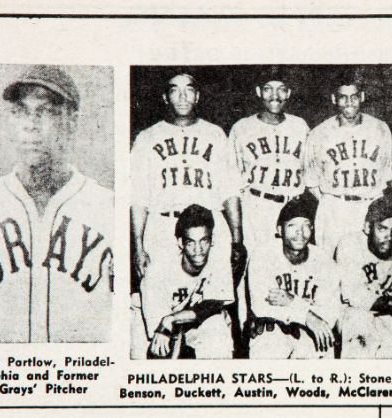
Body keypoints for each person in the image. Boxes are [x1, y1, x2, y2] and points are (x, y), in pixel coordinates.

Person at [0, 65, 114, 343]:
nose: (30, 124)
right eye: (20, 111)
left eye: (45, 112)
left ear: (71, 121)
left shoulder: (107, 207)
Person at [129, 72, 241, 357]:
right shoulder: (147, 138)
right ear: (165, 97)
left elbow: (230, 192)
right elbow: (139, 198)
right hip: (163, 225)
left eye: (188, 90)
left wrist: (237, 239)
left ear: (198, 96)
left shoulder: (215, 134)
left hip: (207, 229)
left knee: (211, 304)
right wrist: (138, 245)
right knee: (157, 304)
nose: (182, 97)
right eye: (174, 91)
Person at [245, 196, 341, 358]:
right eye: (292, 226)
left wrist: (291, 301)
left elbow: (329, 314)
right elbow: (262, 307)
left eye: (306, 226)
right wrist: (307, 315)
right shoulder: (263, 254)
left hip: (311, 331)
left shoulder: (324, 261)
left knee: (323, 344)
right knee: (266, 339)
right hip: (275, 328)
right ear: (280, 230)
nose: (300, 233)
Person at [305, 80, 392, 254]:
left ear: (362, 97)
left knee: (367, 264)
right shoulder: (319, 133)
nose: (349, 103)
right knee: (332, 264)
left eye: (353, 97)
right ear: (334, 99)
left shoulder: (380, 129)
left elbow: (386, 175)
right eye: (343, 98)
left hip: (368, 208)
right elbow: (311, 180)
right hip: (335, 210)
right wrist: (331, 200)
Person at [335, 196, 392, 358]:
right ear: (368, 228)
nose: (388, 237)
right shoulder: (349, 245)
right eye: (382, 229)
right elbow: (353, 295)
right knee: (359, 324)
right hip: (354, 314)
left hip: (389, 318)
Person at [141, 204, 235, 359]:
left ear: (212, 240)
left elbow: (212, 305)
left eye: (204, 240)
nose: (198, 249)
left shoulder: (219, 261)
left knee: (217, 325)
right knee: (159, 351)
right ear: (180, 243)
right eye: (191, 242)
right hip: (151, 318)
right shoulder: (157, 271)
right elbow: (162, 328)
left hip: (187, 321)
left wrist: (172, 318)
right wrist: (169, 322)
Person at [229, 75, 310, 252]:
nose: (275, 95)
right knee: (255, 263)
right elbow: (233, 178)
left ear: (288, 93)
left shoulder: (300, 126)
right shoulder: (242, 127)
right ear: (259, 92)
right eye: (268, 89)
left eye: (281, 89)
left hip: (291, 207)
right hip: (257, 207)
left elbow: (308, 170)